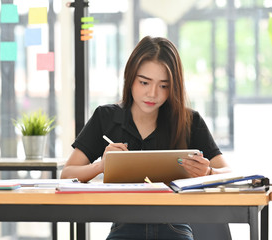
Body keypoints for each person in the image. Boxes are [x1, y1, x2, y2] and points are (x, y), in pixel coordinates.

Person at [61, 36, 231, 240]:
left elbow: (228, 174)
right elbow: (67, 174)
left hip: (175, 228)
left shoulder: (189, 121)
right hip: (123, 229)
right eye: (144, 82)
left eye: (164, 86)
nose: (152, 94)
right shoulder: (106, 118)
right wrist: (102, 166)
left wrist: (208, 171)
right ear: (129, 77)